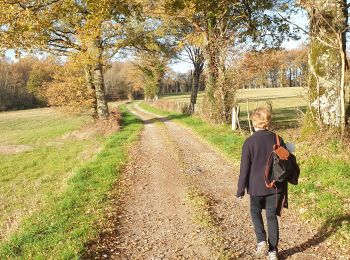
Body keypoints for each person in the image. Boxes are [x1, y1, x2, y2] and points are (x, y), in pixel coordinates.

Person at [236, 107, 287, 260]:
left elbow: (244, 168)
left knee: (255, 212)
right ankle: (272, 252)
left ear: (254, 123)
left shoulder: (249, 142)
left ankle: (261, 241)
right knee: (271, 217)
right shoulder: (278, 138)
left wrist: (240, 189)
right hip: (275, 186)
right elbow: (285, 159)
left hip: (256, 187)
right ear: (267, 122)